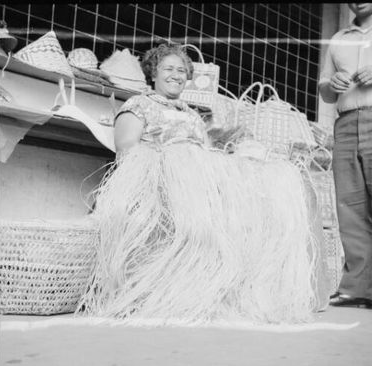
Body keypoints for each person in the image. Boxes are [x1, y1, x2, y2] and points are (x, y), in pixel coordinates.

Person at [77, 43, 324, 327]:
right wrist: (173, 167)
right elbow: (127, 151)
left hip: (195, 191)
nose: (176, 75)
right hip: (155, 186)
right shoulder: (138, 105)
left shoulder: (192, 115)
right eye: (168, 69)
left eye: (182, 71)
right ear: (153, 73)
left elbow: (206, 157)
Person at [318, 3, 372, 309]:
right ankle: (357, 290)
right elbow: (325, 90)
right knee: (350, 210)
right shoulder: (339, 38)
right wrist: (332, 85)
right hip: (345, 123)